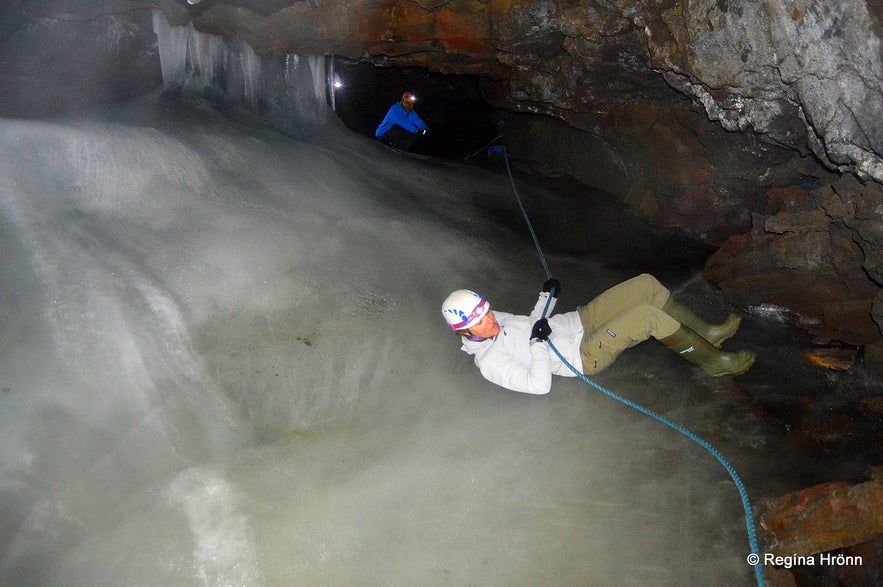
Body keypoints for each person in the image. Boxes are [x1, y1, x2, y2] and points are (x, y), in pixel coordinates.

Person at [441, 274, 756, 395]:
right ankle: (715, 362)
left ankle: (708, 334)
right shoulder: (490, 363)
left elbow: (532, 321)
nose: (491, 320)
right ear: (464, 330)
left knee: (645, 285)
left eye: (489, 312)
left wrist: (546, 296)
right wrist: (538, 343)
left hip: (579, 320)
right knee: (647, 317)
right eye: (480, 321)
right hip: (583, 354)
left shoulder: (495, 319)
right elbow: (539, 386)